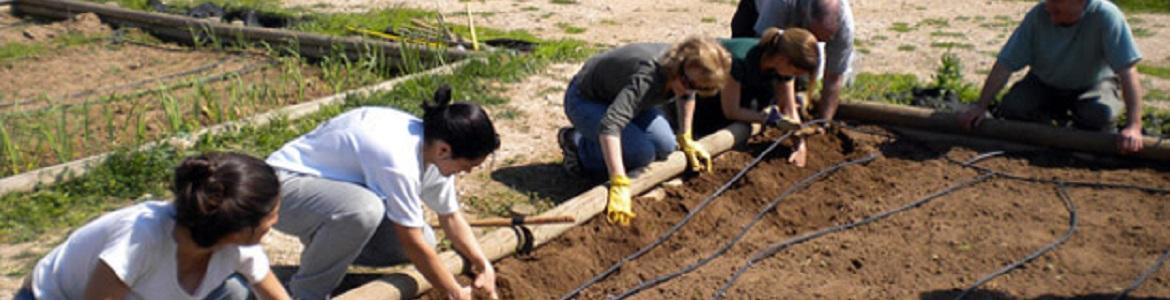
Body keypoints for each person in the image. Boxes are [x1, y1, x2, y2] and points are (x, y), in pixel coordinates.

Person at [266, 85, 501, 300]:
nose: (467, 172)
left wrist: (482, 263)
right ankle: (304, 294)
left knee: (426, 237)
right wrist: (454, 292)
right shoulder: (398, 159)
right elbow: (411, 242)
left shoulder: (432, 150)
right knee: (364, 210)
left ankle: (324, 261)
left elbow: (450, 216)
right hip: (281, 190)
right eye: (467, 165)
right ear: (444, 150)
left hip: (329, 199)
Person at [20, 152, 289, 300]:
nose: (276, 220)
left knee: (235, 293)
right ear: (237, 229)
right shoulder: (141, 239)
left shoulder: (237, 244)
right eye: (272, 214)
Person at [556, 37, 732, 226]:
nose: (690, 89)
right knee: (640, 153)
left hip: (624, 97)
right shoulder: (649, 75)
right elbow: (611, 124)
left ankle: (596, 141)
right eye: (688, 83)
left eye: (699, 88)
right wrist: (619, 181)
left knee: (666, 145)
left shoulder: (687, 73)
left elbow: (688, 95)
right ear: (679, 65)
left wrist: (686, 136)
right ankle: (577, 143)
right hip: (586, 99)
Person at [957, 0, 1145, 154]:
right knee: (1013, 106)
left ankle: (1079, 131)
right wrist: (980, 106)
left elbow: (1128, 71)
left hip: (1093, 82)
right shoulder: (1039, 14)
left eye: (1057, 11)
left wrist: (1133, 126)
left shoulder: (1106, 16)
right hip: (1044, 81)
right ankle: (1047, 127)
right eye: (1049, 8)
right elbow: (1005, 64)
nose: (1051, 16)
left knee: (1099, 114)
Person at [692, 27, 821, 167]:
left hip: (737, 93)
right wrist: (771, 119)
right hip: (701, 93)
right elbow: (731, 111)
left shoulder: (781, 65)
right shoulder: (738, 60)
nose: (795, 77)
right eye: (795, 72)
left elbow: (789, 109)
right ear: (783, 59)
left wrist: (799, 146)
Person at [730, 0, 854, 122]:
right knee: (750, 78)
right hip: (755, 10)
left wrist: (824, 122)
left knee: (794, 77)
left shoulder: (844, 28)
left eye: (822, 40)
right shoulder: (780, 4)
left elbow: (834, 77)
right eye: (814, 36)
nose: (816, 43)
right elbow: (764, 52)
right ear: (806, 18)